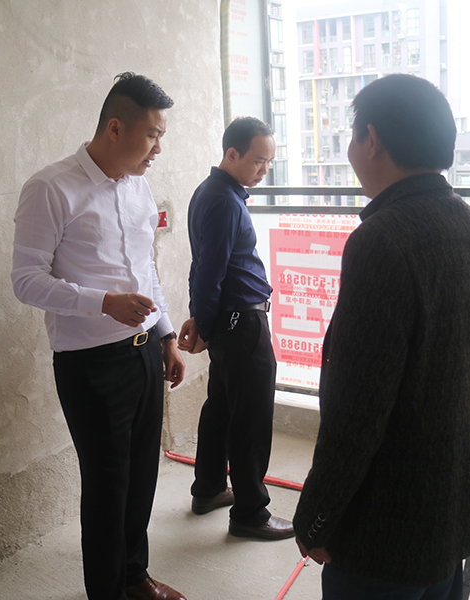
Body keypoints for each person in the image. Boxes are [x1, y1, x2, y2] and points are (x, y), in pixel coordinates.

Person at [293, 74, 470, 599]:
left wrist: (318, 516)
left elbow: (358, 407)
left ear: (371, 139)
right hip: (451, 505)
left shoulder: (381, 242)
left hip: (384, 525)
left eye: (351, 137)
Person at [11, 72, 186, 600]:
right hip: (91, 364)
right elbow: (26, 281)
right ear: (115, 128)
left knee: (142, 476)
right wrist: (103, 302)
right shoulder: (51, 187)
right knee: (108, 486)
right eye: (153, 134)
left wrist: (165, 334)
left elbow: (145, 269)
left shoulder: (138, 186)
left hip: (144, 353)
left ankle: (134, 577)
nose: (158, 147)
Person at [178, 117, 293, 541]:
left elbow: (203, 267)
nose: (264, 170)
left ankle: (208, 489)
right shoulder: (225, 201)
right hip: (242, 322)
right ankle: (250, 512)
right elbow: (210, 270)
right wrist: (205, 325)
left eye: (269, 162)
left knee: (222, 408)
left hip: (228, 321)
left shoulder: (209, 191)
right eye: (258, 160)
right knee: (251, 417)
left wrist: (201, 318)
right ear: (232, 154)